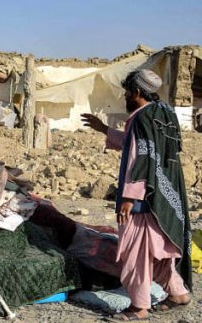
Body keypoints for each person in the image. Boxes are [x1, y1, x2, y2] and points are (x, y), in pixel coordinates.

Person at [81, 69, 192, 321]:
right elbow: (140, 147)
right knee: (157, 249)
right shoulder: (164, 114)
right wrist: (104, 129)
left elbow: (139, 158)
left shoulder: (141, 118)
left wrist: (130, 197)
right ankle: (178, 293)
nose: (125, 97)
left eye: (128, 92)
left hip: (142, 198)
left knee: (135, 251)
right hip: (163, 197)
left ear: (139, 92)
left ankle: (139, 307)